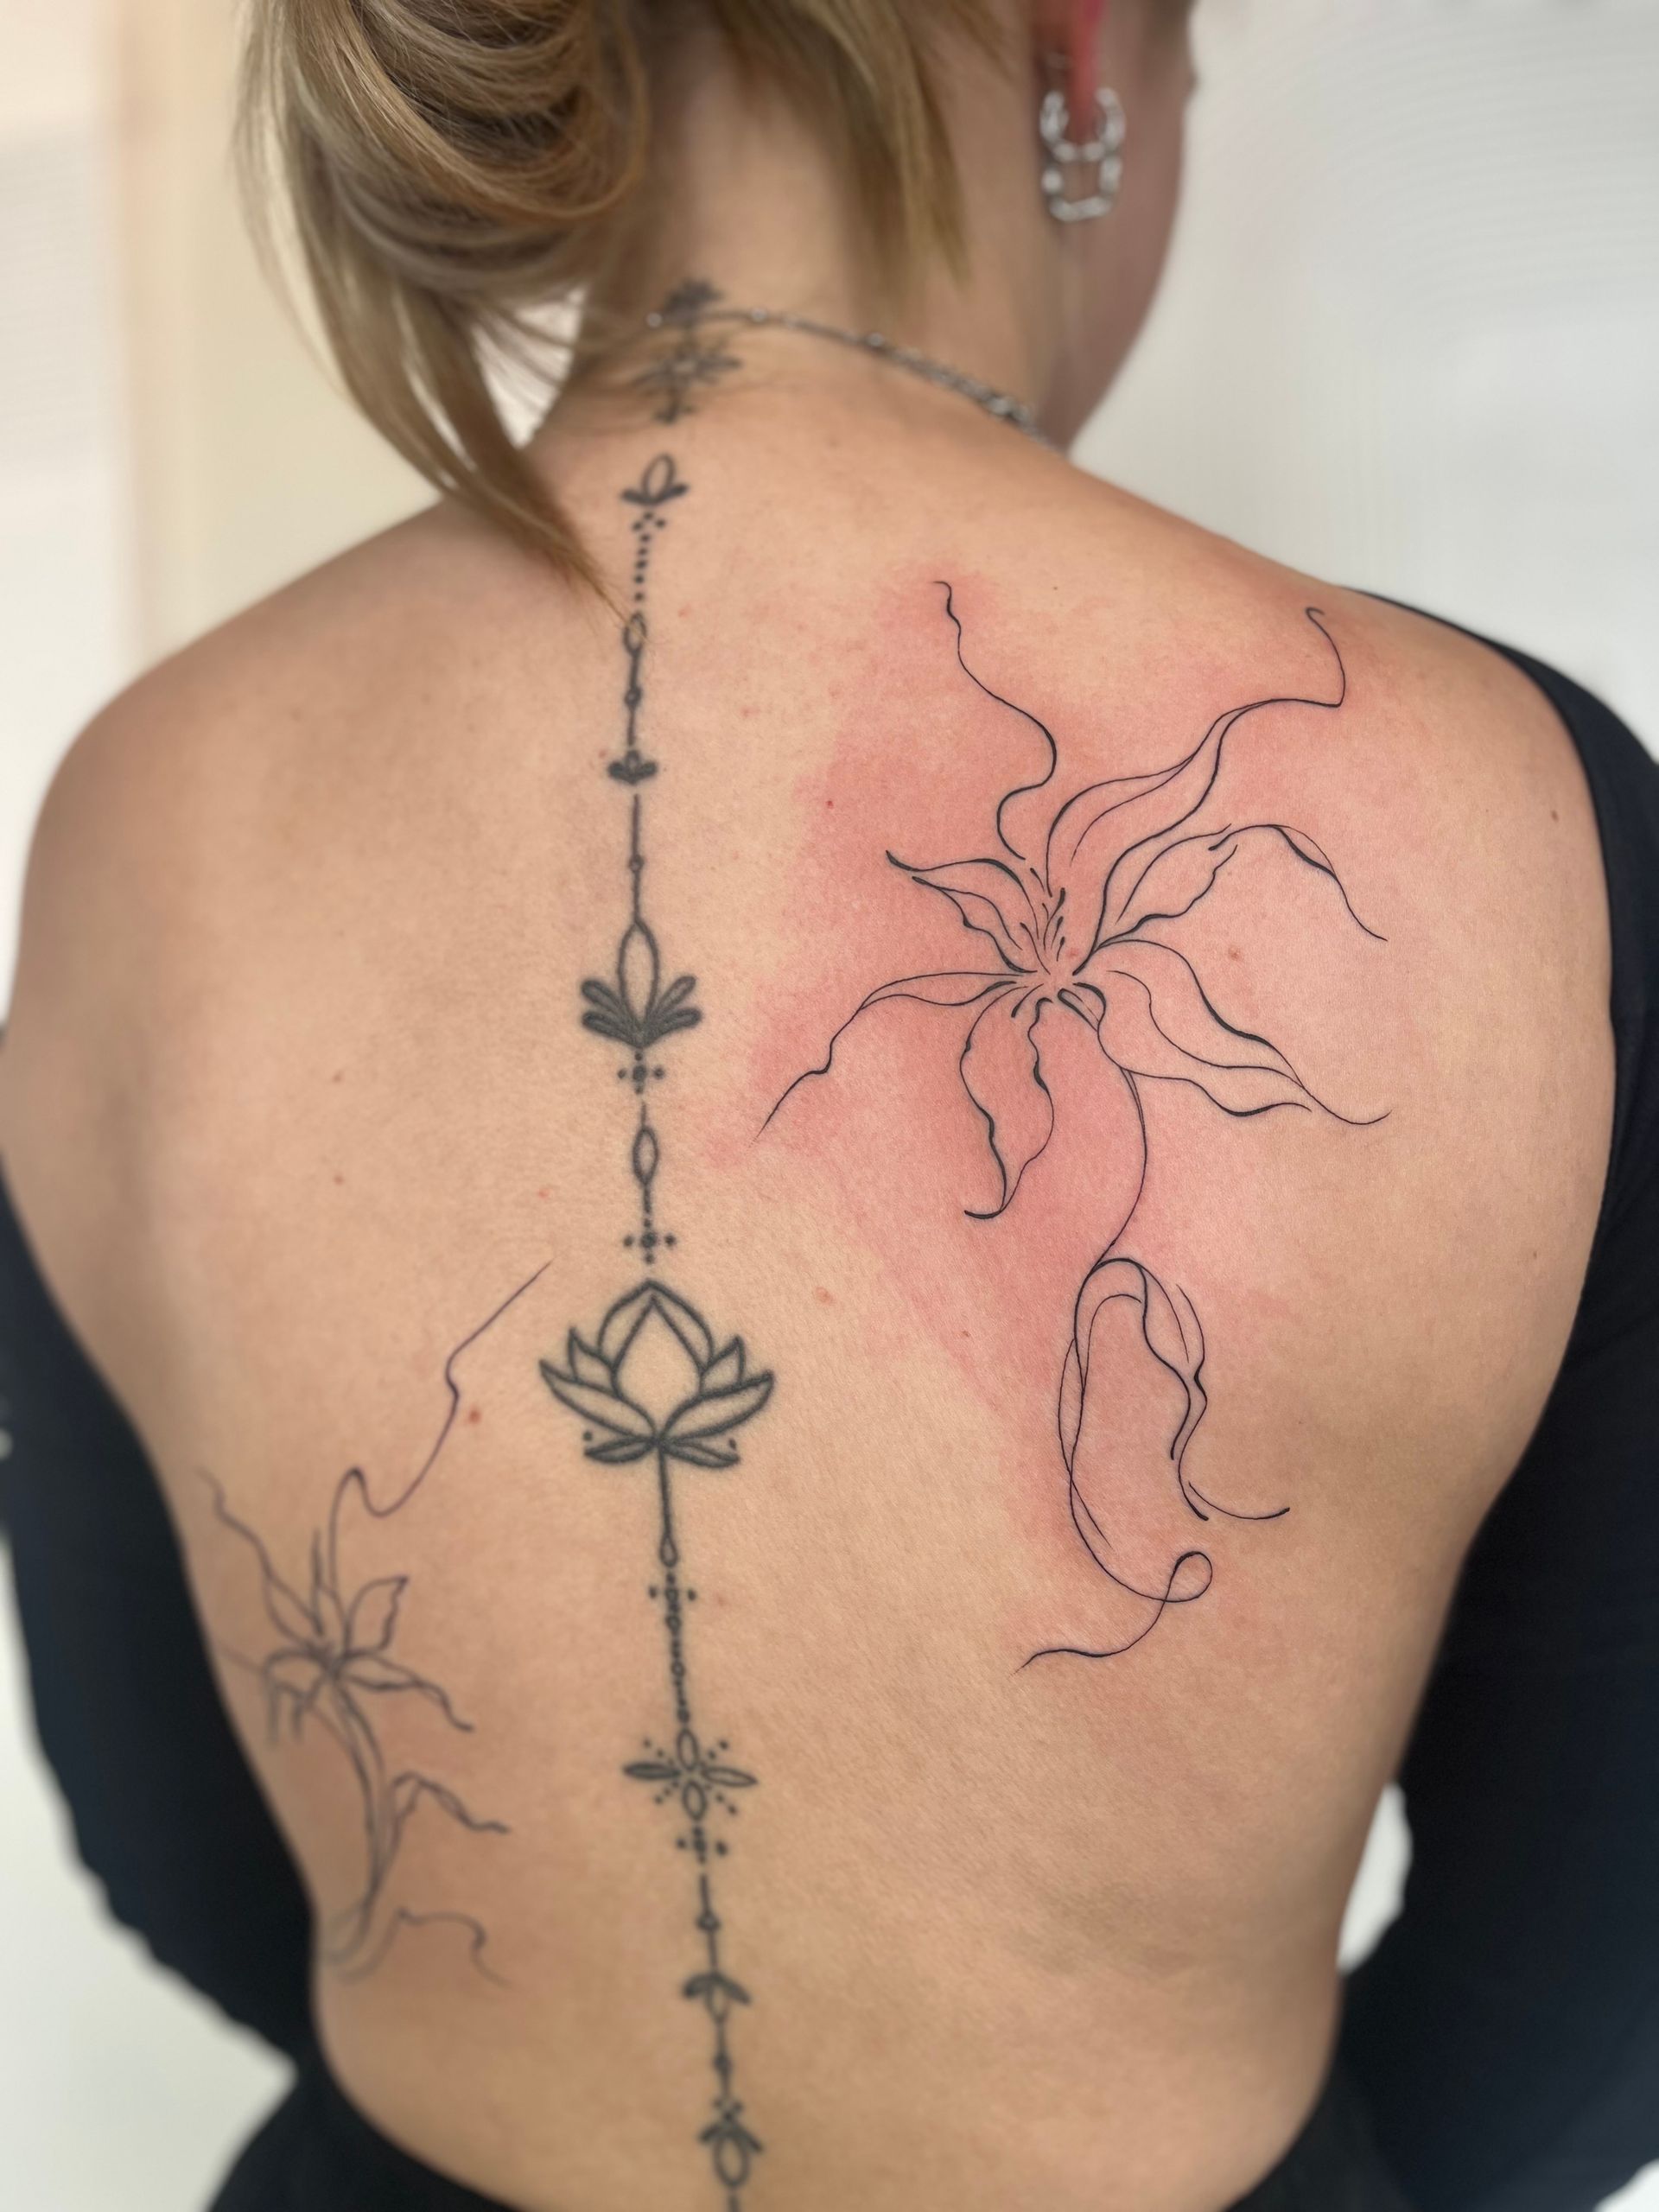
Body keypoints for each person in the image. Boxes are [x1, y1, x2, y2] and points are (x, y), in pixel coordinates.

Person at [3, 2, 1656, 2207]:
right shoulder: (1507, 820)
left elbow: (180, 1844)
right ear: (1089, 60)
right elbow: (1604, 1963)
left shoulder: (134, 818)